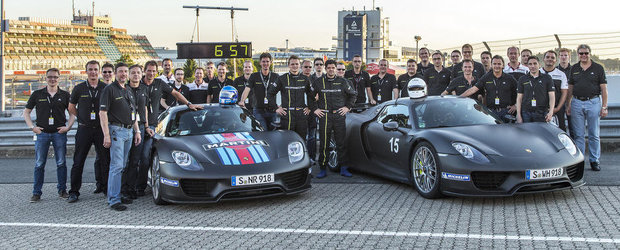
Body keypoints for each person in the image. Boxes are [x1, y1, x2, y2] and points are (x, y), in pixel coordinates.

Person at [138, 60, 199, 196]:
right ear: (144, 70)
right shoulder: (138, 84)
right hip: (138, 125)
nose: (151, 73)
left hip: (152, 126)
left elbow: (176, 94)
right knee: (134, 157)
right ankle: (131, 187)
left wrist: (189, 104)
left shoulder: (159, 83)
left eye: (154, 71)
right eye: (149, 70)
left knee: (145, 156)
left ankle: (140, 187)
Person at [24, 68, 75, 202]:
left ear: (59, 79)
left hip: (59, 133)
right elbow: (26, 112)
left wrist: (68, 127)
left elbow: (73, 113)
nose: (52, 79)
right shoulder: (37, 94)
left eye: (55, 77)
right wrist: (32, 127)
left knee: (61, 163)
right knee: (39, 163)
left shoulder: (65, 95)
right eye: (50, 77)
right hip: (42, 134)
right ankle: (36, 193)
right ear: (45, 78)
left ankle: (62, 190)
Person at [99, 62, 141, 211]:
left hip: (129, 131)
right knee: (116, 166)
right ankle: (114, 200)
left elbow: (133, 113)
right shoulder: (109, 90)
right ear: (116, 74)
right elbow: (102, 113)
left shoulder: (128, 90)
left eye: (125, 72)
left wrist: (137, 131)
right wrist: (106, 135)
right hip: (116, 131)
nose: (123, 74)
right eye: (120, 72)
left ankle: (117, 193)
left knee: (122, 165)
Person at [67, 61, 107, 203]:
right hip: (84, 128)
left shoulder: (105, 87)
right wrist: (81, 117)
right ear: (86, 71)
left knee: (104, 160)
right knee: (78, 161)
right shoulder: (79, 88)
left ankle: (106, 188)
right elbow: (71, 107)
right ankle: (74, 192)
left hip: (100, 129)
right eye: (90, 70)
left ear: (99, 71)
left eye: (96, 70)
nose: (93, 72)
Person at [311, 59, 357, 178]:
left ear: (336, 69)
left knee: (341, 143)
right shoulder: (318, 82)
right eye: (329, 68)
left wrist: (347, 107)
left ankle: (343, 168)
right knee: (324, 143)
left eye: (333, 68)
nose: (331, 70)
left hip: (339, 115)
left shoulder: (343, 81)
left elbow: (353, 95)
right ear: (326, 69)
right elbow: (310, 96)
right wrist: (315, 109)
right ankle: (323, 169)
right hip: (324, 116)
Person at [566, 44, 608, 171]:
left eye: (586, 53)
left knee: (593, 134)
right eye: (581, 53)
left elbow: (604, 89)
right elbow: (570, 88)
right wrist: (568, 104)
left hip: (593, 102)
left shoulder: (598, 68)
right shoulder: (574, 68)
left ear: (590, 54)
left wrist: (604, 106)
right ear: (577, 55)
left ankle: (594, 160)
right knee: (578, 135)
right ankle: (580, 161)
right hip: (577, 103)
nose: (584, 55)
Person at [267, 55, 315, 138]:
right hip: (287, 115)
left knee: (301, 139)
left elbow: (311, 95)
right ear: (288, 65)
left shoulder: (305, 79)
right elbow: (270, 94)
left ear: (300, 65)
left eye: (297, 64)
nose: (295, 66)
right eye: (292, 64)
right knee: (287, 140)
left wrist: (309, 108)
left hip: (301, 115)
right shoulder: (282, 78)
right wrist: (276, 108)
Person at [121, 64, 149, 200]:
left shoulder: (144, 89)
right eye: (133, 73)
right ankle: (123, 188)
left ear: (141, 74)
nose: (136, 75)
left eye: (138, 72)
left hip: (141, 128)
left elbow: (145, 109)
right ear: (129, 75)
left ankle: (132, 188)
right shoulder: (124, 89)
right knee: (126, 160)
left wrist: (147, 125)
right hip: (127, 127)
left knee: (135, 160)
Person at [461, 55, 518, 122]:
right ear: (491, 65)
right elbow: (473, 89)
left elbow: (521, 92)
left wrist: (516, 105)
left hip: (506, 111)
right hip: (491, 112)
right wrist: (459, 97)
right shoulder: (486, 77)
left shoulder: (510, 78)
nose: (497, 66)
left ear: (503, 65)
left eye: (499, 64)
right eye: (494, 64)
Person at [240, 52, 279, 130]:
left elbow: (283, 91)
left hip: (273, 111)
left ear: (270, 63)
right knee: (263, 131)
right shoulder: (254, 76)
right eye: (263, 61)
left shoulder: (276, 76)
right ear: (260, 63)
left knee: (274, 133)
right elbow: (247, 89)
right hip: (259, 111)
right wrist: (242, 101)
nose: (265, 63)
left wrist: (281, 105)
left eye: (267, 61)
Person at [516, 56, 555, 123]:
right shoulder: (522, 79)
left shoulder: (547, 78)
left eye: (535, 63)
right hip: (526, 113)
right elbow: (519, 98)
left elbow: (552, 96)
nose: (532, 66)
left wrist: (551, 112)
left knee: (540, 133)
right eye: (530, 64)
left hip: (541, 112)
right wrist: (518, 115)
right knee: (527, 133)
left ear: (539, 64)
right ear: (527, 65)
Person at [540, 50, 568, 131]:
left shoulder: (561, 74)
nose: (550, 59)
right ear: (544, 59)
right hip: (540, 110)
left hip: (557, 109)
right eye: (547, 57)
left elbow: (564, 93)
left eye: (552, 58)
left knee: (560, 131)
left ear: (556, 60)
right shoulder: (537, 72)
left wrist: (558, 108)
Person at [301, 59, 318, 163]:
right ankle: (302, 159)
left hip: (312, 112)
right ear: (301, 68)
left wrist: (310, 107)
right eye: (305, 67)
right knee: (301, 136)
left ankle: (311, 158)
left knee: (312, 137)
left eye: (309, 67)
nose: (307, 69)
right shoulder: (296, 79)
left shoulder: (315, 81)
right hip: (299, 112)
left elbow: (317, 97)